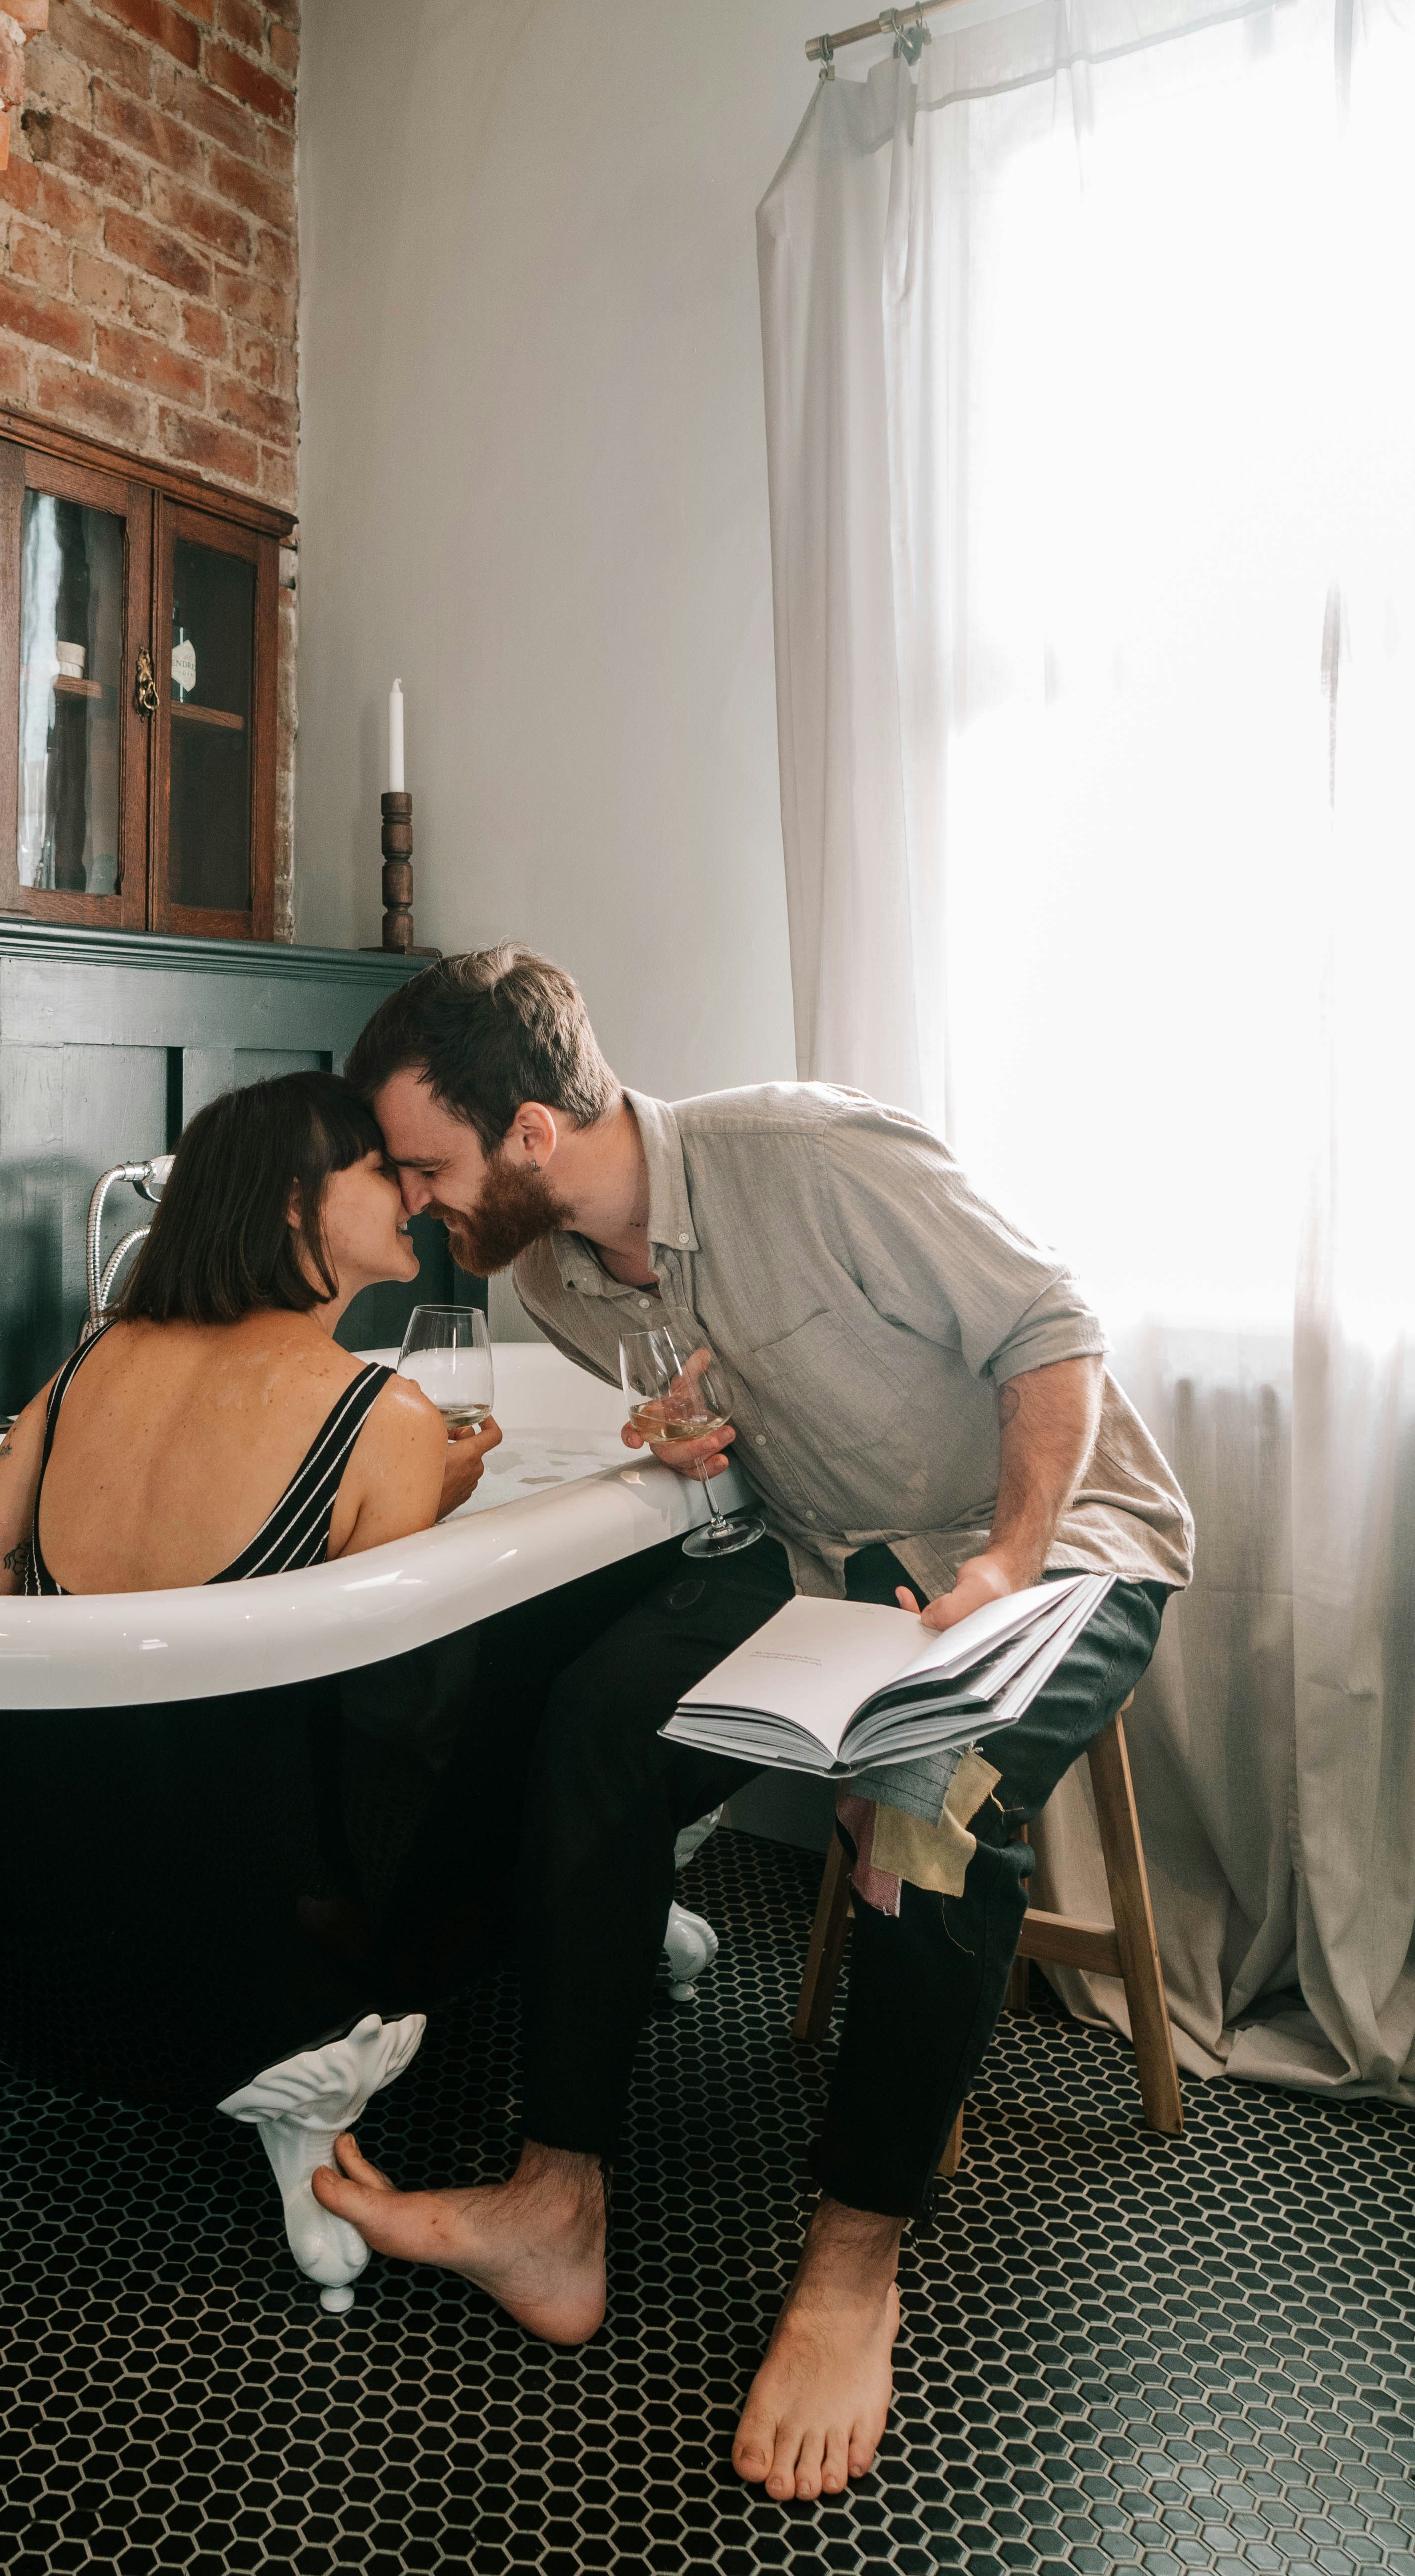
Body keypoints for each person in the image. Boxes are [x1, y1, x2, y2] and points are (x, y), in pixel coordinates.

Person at [321, 944, 1193, 2505]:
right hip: (828, 1566)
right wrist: (686, 1447)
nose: (412, 1195)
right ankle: (554, 2190)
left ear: (528, 1129)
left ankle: (854, 2262)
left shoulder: (810, 1155)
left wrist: (1001, 1560)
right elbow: (733, 1455)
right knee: (587, 1713)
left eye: (425, 1161)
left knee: (923, 1797)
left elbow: (1054, 1331)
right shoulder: (550, 1277)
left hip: (1055, 1547)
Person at [0, 1070, 501, 1599]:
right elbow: (380, 1695)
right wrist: (418, 1497)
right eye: (382, 1171)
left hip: (35, 1709)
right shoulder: (389, 1418)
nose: (412, 1196)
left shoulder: (88, 1365)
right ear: (297, 1203)